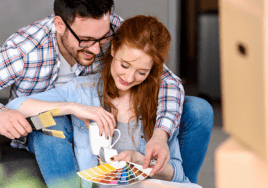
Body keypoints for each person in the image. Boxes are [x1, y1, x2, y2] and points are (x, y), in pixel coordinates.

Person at [0, 0, 213, 186]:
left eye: (102, 40)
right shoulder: (24, 49)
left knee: (197, 109)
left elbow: (167, 82)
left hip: (100, 113)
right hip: (48, 118)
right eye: (85, 40)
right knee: (49, 122)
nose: (95, 50)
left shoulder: (115, 30)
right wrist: (74, 107)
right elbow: (18, 106)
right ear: (59, 25)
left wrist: (160, 134)